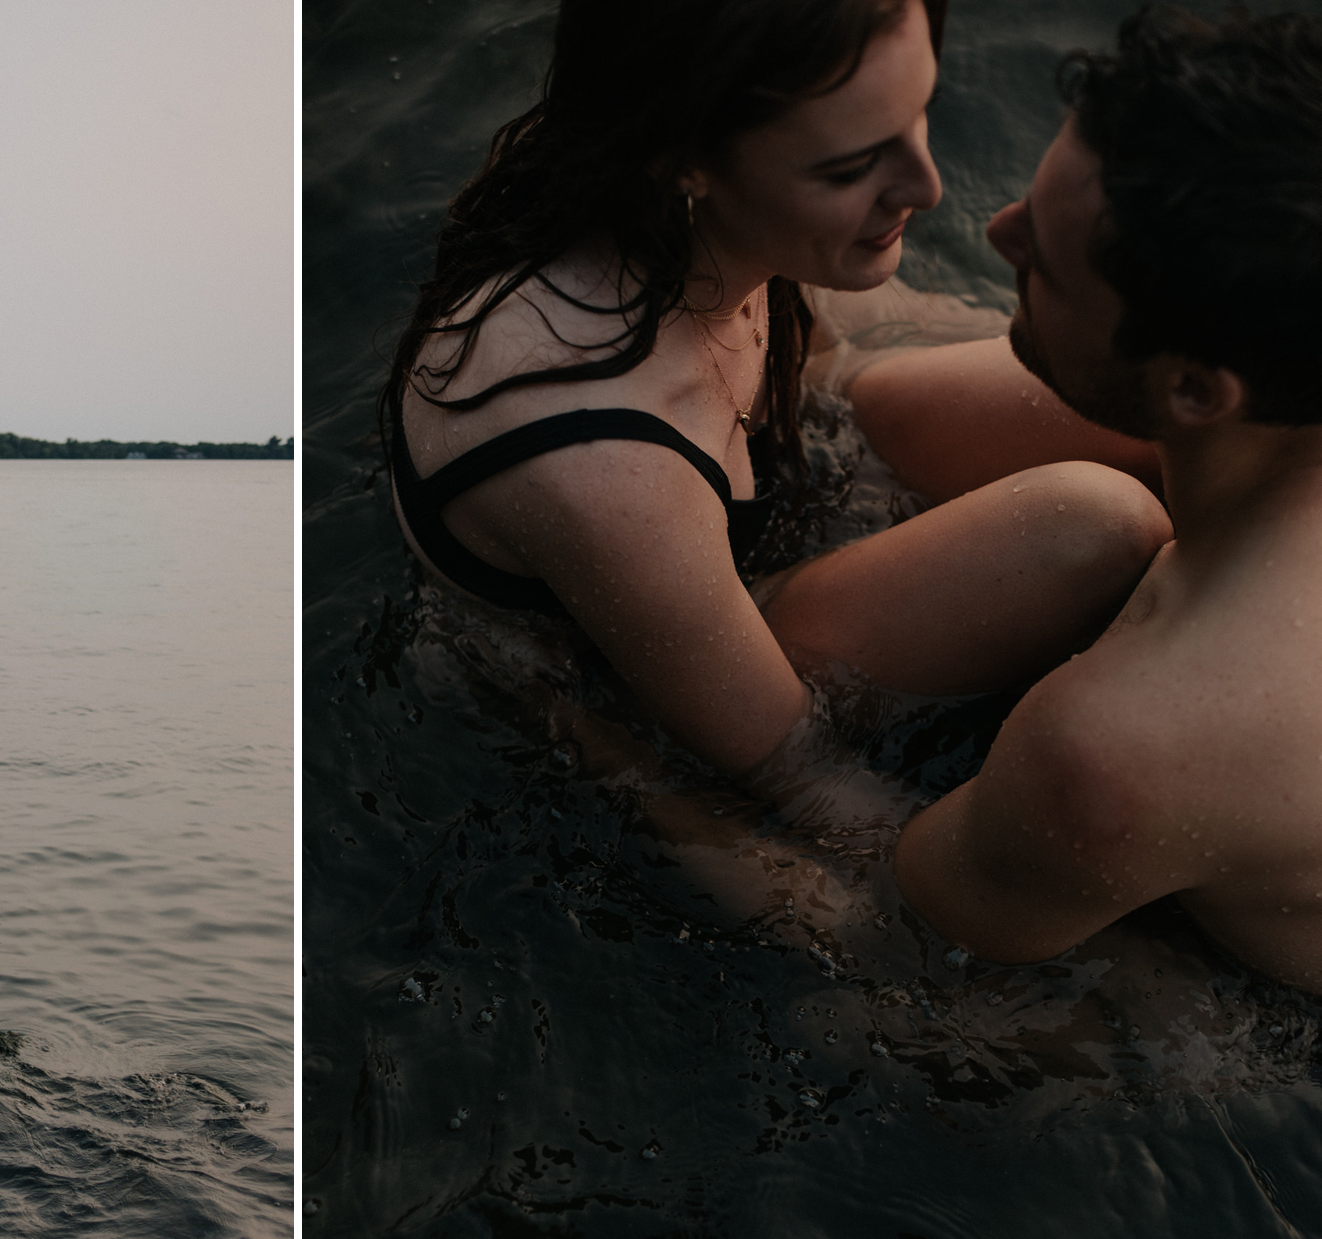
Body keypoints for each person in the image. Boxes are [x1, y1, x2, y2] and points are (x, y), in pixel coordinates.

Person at [387, 0, 1171, 786]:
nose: (927, 188)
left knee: (1151, 400)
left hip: (771, 456)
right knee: (1096, 526)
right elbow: (797, 775)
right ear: (688, 159)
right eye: (850, 166)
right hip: (618, 667)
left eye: (918, 112)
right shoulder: (599, 457)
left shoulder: (684, 201)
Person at [895, 6, 1322, 991]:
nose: (995, 230)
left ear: (1192, 393)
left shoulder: (1115, 749)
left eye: (1041, 258)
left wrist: (560, 693)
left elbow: (892, 954)